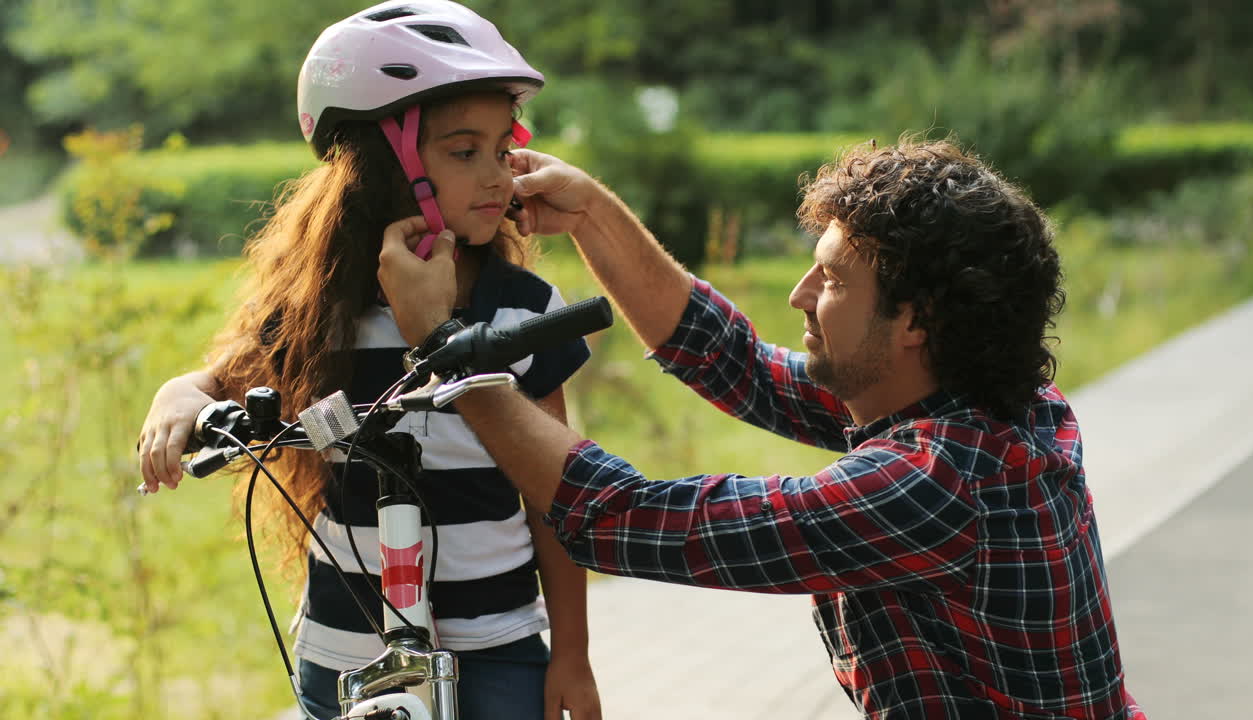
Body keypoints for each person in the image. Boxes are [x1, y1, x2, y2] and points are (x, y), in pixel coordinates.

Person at [377, 139, 1147, 719]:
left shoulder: (933, 484)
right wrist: (590, 214)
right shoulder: (985, 403)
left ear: (914, 321)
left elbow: (629, 518)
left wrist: (447, 352)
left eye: (835, 278)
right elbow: (736, 363)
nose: (799, 295)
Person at [135, 3, 602, 718]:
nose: (496, 176)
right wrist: (179, 393)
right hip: (343, 649)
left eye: (502, 149)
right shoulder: (320, 309)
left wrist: (572, 654)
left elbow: (554, 495)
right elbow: (224, 377)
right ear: (390, 167)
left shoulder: (522, 309)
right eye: (463, 151)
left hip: (495, 645)